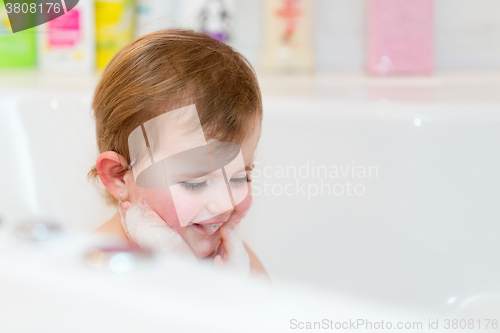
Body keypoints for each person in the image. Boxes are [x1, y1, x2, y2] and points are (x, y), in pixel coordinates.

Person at [89, 29, 268, 279]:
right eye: (195, 183)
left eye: (240, 178)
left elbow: (266, 312)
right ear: (120, 176)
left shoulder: (231, 259)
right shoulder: (100, 265)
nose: (224, 203)